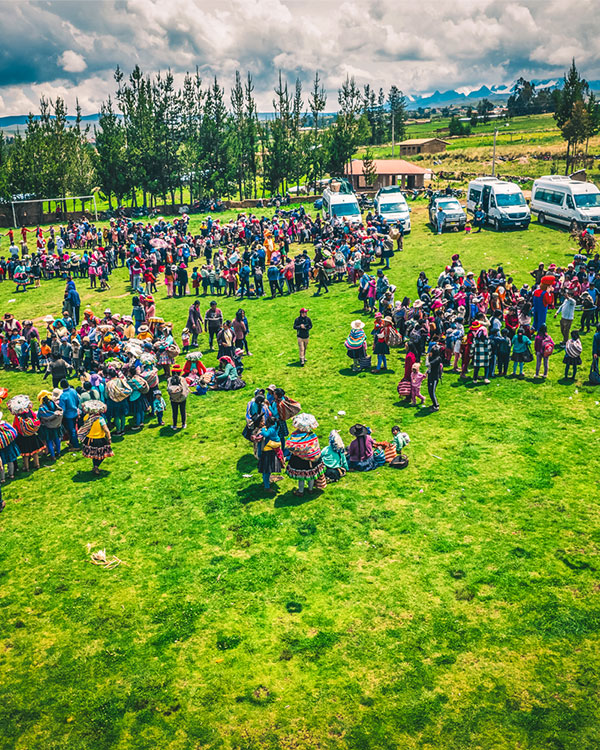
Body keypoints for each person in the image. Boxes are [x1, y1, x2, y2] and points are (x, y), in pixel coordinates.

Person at [285, 412, 325, 496]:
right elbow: (315, 447)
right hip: (313, 460)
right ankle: (310, 489)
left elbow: (289, 446)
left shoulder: (295, 436)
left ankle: (300, 491)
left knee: (301, 478)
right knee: (311, 475)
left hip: (300, 460)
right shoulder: (312, 435)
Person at [78, 400, 113, 475]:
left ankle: (95, 466)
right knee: (103, 454)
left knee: (94, 455)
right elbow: (106, 430)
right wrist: (109, 438)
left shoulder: (86, 417)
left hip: (89, 439)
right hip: (99, 439)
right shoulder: (100, 419)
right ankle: (96, 467)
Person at [257, 415, 284, 492]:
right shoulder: (275, 426)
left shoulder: (271, 429)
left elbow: (265, 434)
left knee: (266, 470)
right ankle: (266, 483)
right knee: (267, 470)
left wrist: (262, 430)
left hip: (268, 451)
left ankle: (266, 486)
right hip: (274, 449)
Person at [37, 390, 63, 461]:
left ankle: (52, 456)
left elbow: (39, 416)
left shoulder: (42, 408)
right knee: (57, 439)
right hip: (57, 425)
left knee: (49, 441)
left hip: (48, 427)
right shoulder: (53, 403)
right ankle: (58, 452)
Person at [58, 379, 80, 449]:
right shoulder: (74, 391)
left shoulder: (63, 396)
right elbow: (78, 401)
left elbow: (62, 409)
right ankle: (72, 442)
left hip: (68, 415)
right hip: (75, 412)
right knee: (74, 428)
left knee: (72, 430)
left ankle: (76, 446)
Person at [427, 340, 444, 411]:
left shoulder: (437, 359)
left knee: (432, 392)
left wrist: (426, 358)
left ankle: (436, 405)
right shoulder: (432, 358)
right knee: (429, 391)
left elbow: (428, 364)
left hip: (434, 377)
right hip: (430, 376)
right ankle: (434, 403)